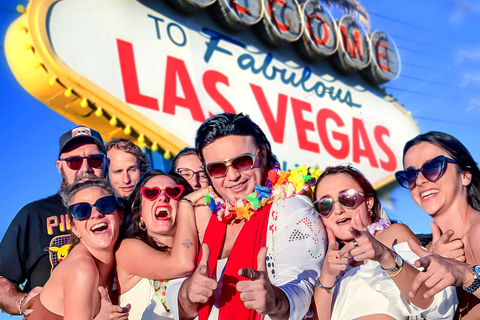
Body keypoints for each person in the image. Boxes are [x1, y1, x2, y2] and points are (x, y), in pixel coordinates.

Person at [166, 113, 326, 320]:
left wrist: (275, 301)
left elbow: (302, 283)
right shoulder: (209, 214)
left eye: (242, 162)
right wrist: (187, 293)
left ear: (263, 154)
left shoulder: (290, 207)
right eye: (217, 168)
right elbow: (175, 288)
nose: (232, 176)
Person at [313, 165, 457, 319]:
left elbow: (432, 301)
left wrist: (384, 256)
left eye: (347, 198)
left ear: (368, 202)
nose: (337, 210)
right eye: (325, 205)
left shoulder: (393, 235)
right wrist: (327, 275)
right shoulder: (325, 267)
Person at [0, 125, 109, 316]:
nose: (85, 168)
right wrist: (21, 301)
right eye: (74, 162)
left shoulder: (120, 211)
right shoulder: (34, 214)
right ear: (60, 166)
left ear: (107, 163)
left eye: (95, 160)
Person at [396, 131, 480, 318]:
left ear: (465, 175)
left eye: (433, 167)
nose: (419, 181)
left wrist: (468, 276)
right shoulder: (427, 253)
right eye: (410, 175)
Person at [27, 179, 126, 320]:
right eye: (82, 211)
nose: (96, 214)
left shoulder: (118, 261)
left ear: (120, 216)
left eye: (105, 205)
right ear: (74, 228)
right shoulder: (82, 269)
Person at [115, 170, 198, 319]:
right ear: (140, 215)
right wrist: (187, 205)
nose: (162, 198)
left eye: (173, 192)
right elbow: (182, 264)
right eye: (151, 193)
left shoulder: (197, 249)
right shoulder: (127, 249)